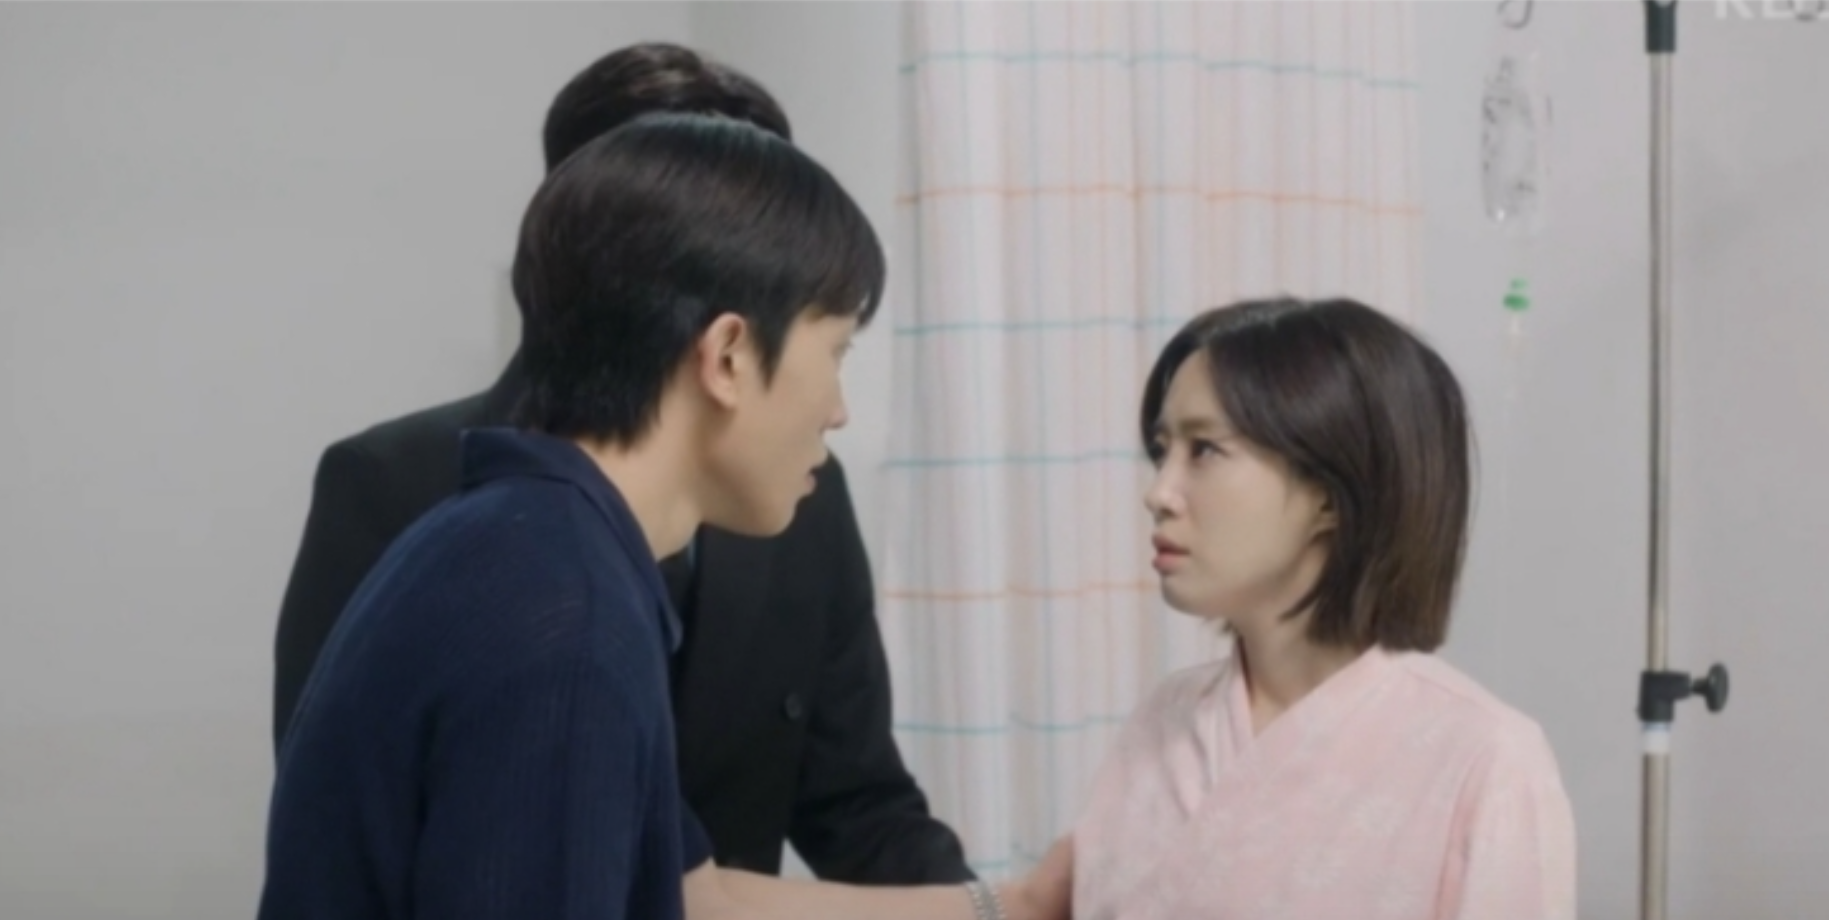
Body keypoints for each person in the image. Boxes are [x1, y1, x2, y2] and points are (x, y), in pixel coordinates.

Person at [259, 112, 1065, 920]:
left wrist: (1015, 906)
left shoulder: (525, 537)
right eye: (836, 352)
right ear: (727, 357)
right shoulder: (566, 616)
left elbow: (696, 895)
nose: (838, 409)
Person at [1067, 297, 1578, 919]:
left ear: (1331, 496)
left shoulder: (1485, 760)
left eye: (1203, 450)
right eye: (1161, 450)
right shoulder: (1163, 720)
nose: (1159, 493)